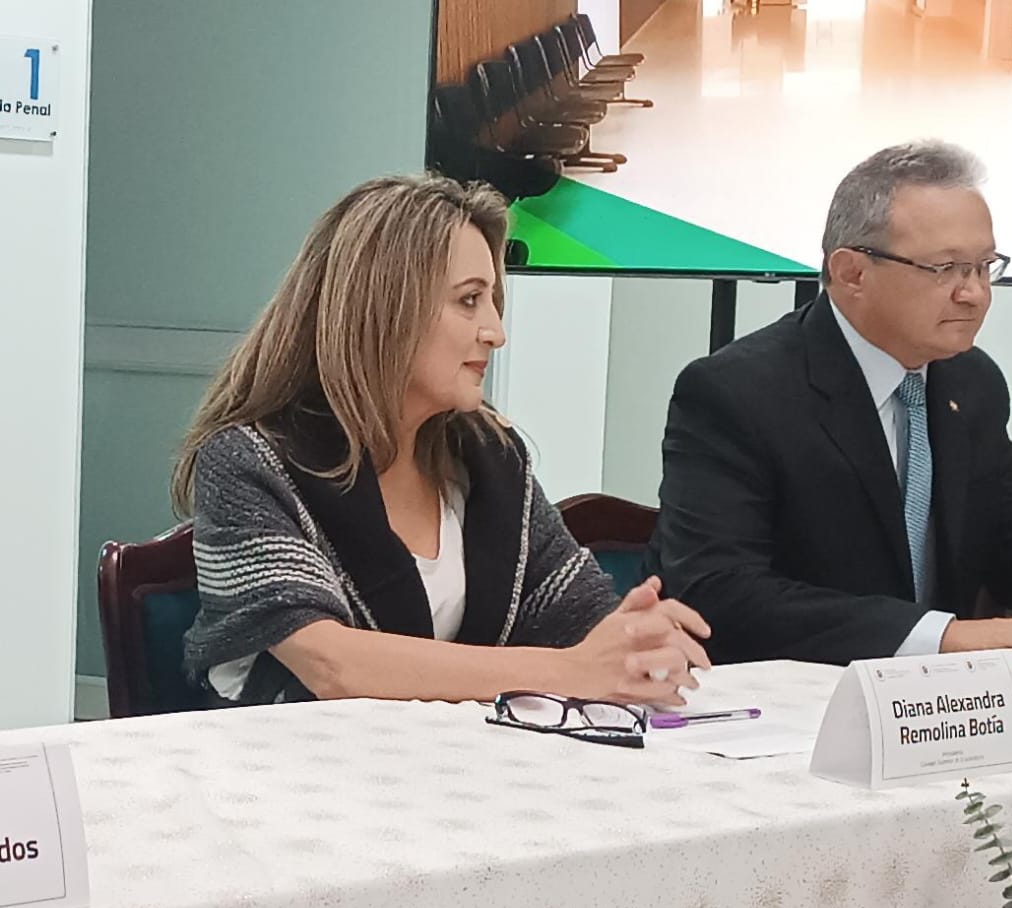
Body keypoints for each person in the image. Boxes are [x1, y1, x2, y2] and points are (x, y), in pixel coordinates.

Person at [174, 174, 709, 706]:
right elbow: (332, 665)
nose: (497, 331)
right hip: (290, 777)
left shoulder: (488, 457)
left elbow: (579, 619)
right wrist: (568, 671)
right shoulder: (249, 461)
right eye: (470, 300)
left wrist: (635, 639)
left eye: (493, 300)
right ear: (386, 310)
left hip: (450, 771)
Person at [646, 140, 1012, 687]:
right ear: (852, 273)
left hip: (941, 711)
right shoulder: (736, 391)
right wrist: (944, 637)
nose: (974, 294)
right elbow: (721, 591)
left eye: (984, 266)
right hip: (785, 703)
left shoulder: (972, 382)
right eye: (945, 268)